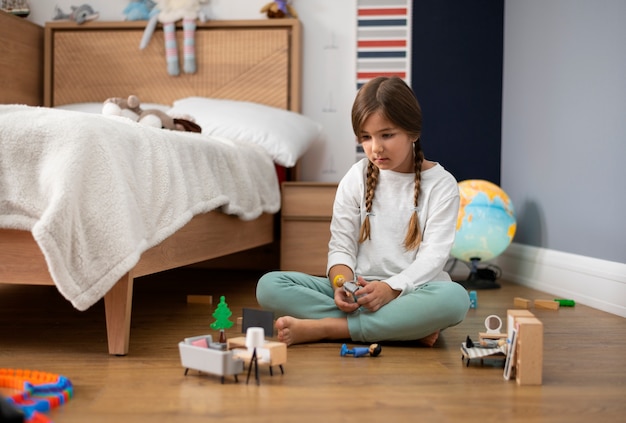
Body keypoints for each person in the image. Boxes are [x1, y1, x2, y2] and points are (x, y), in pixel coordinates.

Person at [256, 76, 470, 347]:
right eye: (366, 138)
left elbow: (433, 258)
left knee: (454, 299)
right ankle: (402, 327)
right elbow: (341, 247)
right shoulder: (355, 177)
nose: (375, 148)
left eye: (387, 135)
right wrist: (341, 284)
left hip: (414, 290)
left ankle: (329, 328)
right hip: (360, 292)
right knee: (269, 285)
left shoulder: (442, 184)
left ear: (413, 132)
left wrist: (390, 289)